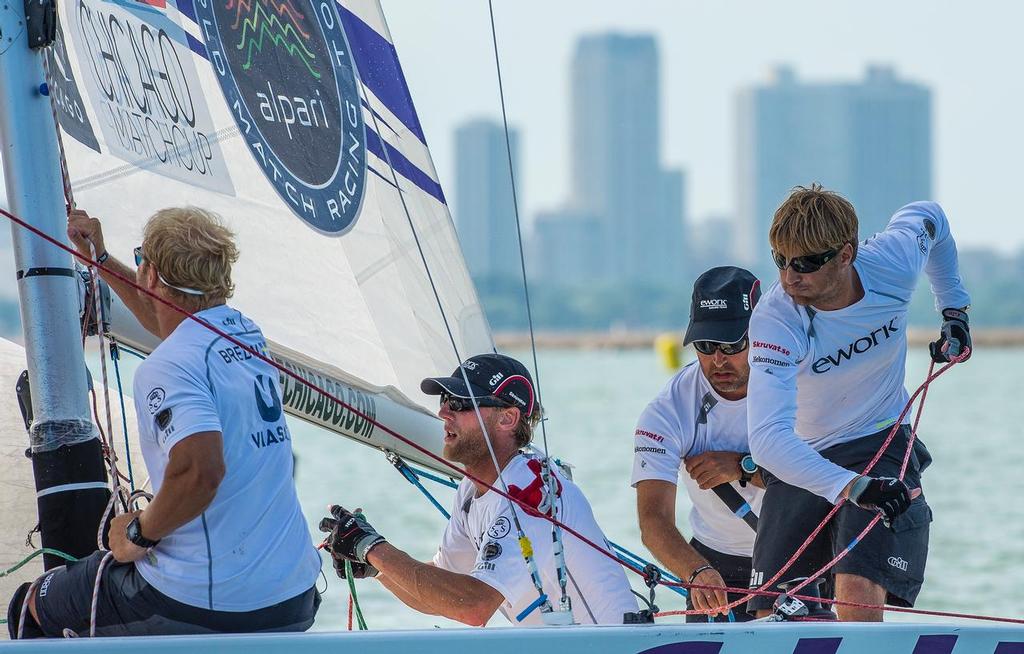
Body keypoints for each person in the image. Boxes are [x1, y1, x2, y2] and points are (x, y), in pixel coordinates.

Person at [8, 207, 321, 637]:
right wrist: (101, 259)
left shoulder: (168, 366)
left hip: (208, 601)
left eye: (142, 261)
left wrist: (139, 531)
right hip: (293, 594)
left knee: (34, 606)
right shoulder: (247, 335)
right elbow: (171, 323)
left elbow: (200, 470)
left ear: (151, 274)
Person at [745, 185, 971, 621]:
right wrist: (850, 487)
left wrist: (955, 311)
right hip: (803, 456)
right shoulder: (776, 319)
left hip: (879, 440)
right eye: (781, 260)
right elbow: (768, 442)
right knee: (769, 617)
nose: (791, 277)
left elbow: (932, 217)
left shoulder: (892, 262)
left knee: (855, 594)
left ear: (846, 254)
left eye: (807, 263)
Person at [319, 353, 638, 626]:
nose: (443, 413)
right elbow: (439, 596)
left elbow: (474, 607)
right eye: (444, 401)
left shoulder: (530, 491)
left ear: (508, 418)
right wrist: (375, 567)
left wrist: (374, 548)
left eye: (459, 403)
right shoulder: (471, 490)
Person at [633, 266, 765, 622]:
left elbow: (822, 476)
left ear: (760, 334)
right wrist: (695, 573)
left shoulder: (798, 385)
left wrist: (742, 467)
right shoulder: (667, 410)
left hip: (796, 553)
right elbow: (653, 520)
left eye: (732, 345)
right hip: (712, 561)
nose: (718, 359)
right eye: (705, 346)